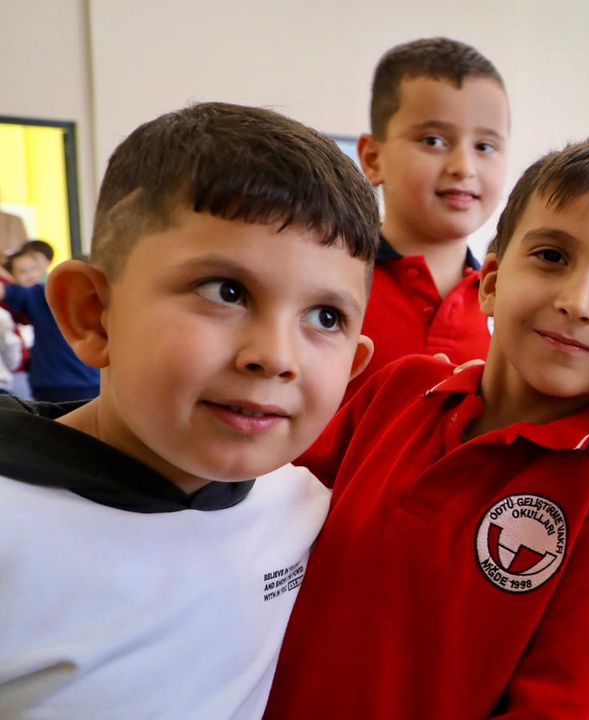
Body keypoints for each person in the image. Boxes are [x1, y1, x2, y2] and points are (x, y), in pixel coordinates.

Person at [264, 119, 589, 719]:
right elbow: (265, 533)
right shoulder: (397, 392)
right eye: (552, 256)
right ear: (490, 283)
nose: (578, 302)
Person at [0, 102, 380, 719]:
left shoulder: (308, 511)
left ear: (353, 367)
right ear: (93, 315)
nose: (275, 356)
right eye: (226, 291)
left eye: (325, 316)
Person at [345, 37, 509, 399]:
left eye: (484, 146)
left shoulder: (510, 306)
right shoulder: (333, 284)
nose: (463, 167)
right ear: (373, 159)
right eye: (433, 141)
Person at [0, 247, 99, 402]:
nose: (30, 275)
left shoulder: (44, 294)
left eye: (33, 269)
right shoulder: (107, 300)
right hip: (86, 382)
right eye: (23, 271)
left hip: (52, 382)